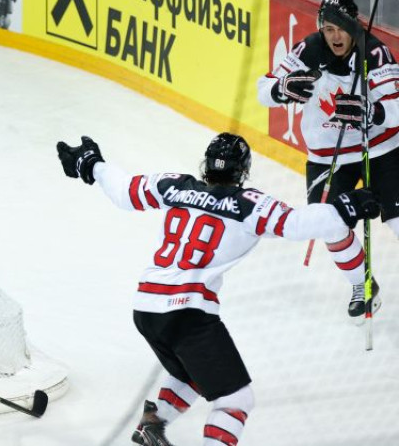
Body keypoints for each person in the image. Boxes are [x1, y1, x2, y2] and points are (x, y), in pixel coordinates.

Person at [56, 133, 380, 445]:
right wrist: (344, 208)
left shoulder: (175, 184)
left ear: (206, 164)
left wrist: (92, 164)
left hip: (145, 309)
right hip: (189, 313)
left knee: (191, 375)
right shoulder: (247, 203)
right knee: (236, 399)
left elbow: (126, 192)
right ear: (243, 171)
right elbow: (295, 224)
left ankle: (152, 426)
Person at [256, 0, 399, 323]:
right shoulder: (309, 49)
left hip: (380, 148)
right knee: (328, 224)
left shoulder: (375, 53)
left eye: (341, 29)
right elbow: (262, 91)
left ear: (353, 28)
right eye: (328, 28)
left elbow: (397, 107)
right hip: (327, 155)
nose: (334, 36)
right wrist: (282, 89)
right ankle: (363, 284)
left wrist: (371, 112)